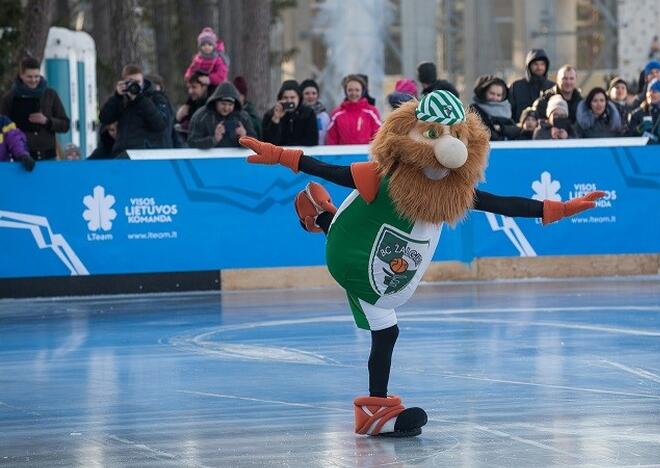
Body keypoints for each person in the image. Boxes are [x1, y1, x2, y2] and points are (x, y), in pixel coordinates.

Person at [239, 90, 605, 437]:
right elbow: (327, 169)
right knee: (386, 333)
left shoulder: (453, 193)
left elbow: (504, 204)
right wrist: (279, 154)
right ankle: (374, 413)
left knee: (386, 327)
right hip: (356, 264)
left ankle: (320, 217)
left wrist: (558, 208)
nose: (447, 145)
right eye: (433, 133)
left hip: (378, 259)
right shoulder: (381, 178)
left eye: (454, 134)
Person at [0, 57, 69, 161]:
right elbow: (3, 128)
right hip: (22, 159)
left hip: (49, 156)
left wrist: (47, 121)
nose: (34, 80)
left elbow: (65, 125)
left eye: (37, 76)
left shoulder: (50, 94)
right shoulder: (9, 98)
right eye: (29, 77)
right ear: (21, 75)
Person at [99, 64, 171, 153]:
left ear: (143, 82)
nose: (135, 85)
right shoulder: (122, 100)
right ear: (124, 83)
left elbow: (161, 124)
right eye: (131, 82)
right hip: (123, 152)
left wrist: (139, 98)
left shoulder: (155, 98)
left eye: (138, 82)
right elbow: (104, 118)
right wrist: (117, 96)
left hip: (146, 153)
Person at [188, 81, 255, 149]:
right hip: (210, 159)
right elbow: (192, 143)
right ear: (215, 101)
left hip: (236, 159)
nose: (226, 108)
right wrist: (214, 139)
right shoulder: (201, 116)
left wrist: (244, 138)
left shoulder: (243, 117)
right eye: (223, 104)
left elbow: (255, 145)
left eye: (230, 105)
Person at [325, 75, 382, 145]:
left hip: (365, 154)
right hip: (343, 154)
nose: (353, 93)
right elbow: (331, 138)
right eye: (350, 90)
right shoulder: (337, 114)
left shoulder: (372, 112)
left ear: (362, 91)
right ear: (346, 92)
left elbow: (379, 136)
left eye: (357, 90)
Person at [261, 80, 318, 147]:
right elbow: (268, 142)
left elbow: (312, 140)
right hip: (278, 155)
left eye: (292, 97)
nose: (289, 101)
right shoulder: (270, 115)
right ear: (280, 99)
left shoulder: (308, 113)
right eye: (285, 98)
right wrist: (276, 119)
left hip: (301, 154)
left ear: (299, 98)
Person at [627, 78, 660, 144]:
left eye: (655, 91)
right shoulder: (636, 114)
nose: (651, 94)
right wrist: (638, 130)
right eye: (649, 91)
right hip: (642, 152)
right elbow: (628, 138)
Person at [508, 49, 554, 121]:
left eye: (542, 64)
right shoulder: (516, 87)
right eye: (535, 64)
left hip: (546, 130)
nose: (539, 67)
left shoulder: (552, 87)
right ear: (529, 66)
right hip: (520, 130)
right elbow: (510, 113)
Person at [469, 75, 520, 141]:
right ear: (484, 92)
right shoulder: (475, 109)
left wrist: (501, 129)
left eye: (498, 95)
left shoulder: (507, 109)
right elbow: (483, 131)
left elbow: (516, 131)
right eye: (492, 93)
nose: (495, 98)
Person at [175, 71, 212, 140]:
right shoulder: (191, 104)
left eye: (194, 87)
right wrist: (178, 119)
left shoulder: (213, 106)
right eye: (189, 88)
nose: (190, 91)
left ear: (204, 87)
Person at [300, 79, 331, 145]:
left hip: (321, 152)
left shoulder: (324, 116)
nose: (311, 96)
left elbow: (328, 136)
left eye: (314, 93)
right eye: (307, 93)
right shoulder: (298, 114)